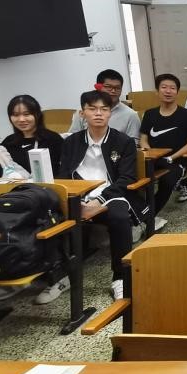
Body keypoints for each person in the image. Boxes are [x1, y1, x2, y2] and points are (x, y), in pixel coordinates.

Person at [53, 90, 147, 303]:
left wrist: (99, 200)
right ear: (82, 113)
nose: (98, 113)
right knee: (50, 217)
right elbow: (64, 175)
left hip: (110, 194)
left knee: (120, 218)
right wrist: (77, 198)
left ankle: (120, 277)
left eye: (104, 109)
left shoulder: (122, 141)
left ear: (110, 113)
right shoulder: (71, 142)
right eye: (92, 109)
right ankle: (59, 275)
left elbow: (126, 178)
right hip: (78, 194)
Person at [139, 74, 187, 224]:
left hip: (175, 160)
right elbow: (143, 139)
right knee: (133, 177)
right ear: (157, 91)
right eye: (164, 87)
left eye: (172, 88)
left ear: (177, 92)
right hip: (152, 158)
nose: (168, 91)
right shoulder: (150, 114)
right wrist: (149, 153)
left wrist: (172, 157)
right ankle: (137, 214)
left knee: (167, 181)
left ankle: (146, 218)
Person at [0, 95, 63, 178]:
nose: (21, 119)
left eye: (26, 114)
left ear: (37, 114)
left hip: (45, 185)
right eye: (16, 115)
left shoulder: (53, 140)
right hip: (11, 185)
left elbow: (61, 172)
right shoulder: (8, 142)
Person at [68, 69, 140, 140]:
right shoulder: (84, 111)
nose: (113, 91)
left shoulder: (131, 115)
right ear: (98, 87)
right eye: (108, 87)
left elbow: (134, 143)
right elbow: (72, 137)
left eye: (117, 88)